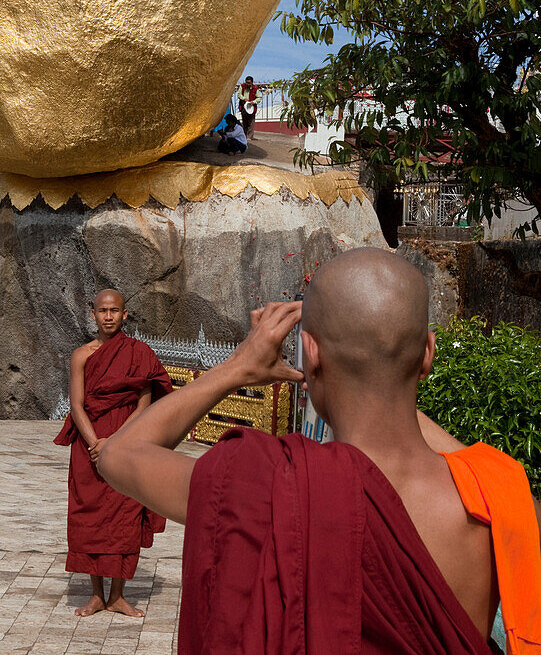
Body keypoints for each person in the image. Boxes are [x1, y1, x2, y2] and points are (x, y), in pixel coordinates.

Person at [97, 249, 541, 653]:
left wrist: (238, 366)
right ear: (427, 353)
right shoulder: (506, 498)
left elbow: (120, 452)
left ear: (310, 355)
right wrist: (391, 371)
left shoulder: (272, 487)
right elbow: (478, 465)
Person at [54, 289, 173, 618]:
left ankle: (118, 595)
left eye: (115, 311)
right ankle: (95, 594)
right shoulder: (81, 355)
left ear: (125, 314)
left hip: (126, 445)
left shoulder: (139, 354)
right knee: (90, 518)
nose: (108, 316)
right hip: (87, 447)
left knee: (124, 516)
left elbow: (144, 405)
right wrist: (95, 444)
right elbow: (76, 406)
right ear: (92, 313)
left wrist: (113, 443)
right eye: (103, 310)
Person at [238, 75, 262, 140]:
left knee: (251, 122)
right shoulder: (242, 86)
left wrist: (253, 102)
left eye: (249, 83)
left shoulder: (255, 88)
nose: (248, 84)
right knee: (244, 121)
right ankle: (244, 136)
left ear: (252, 83)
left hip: (251, 107)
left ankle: (250, 136)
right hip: (244, 106)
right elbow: (239, 94)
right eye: (247, 82)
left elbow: (259, 97)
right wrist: (243, 98)